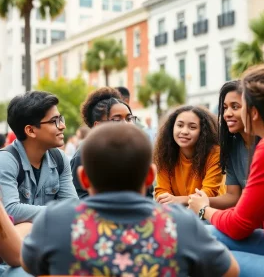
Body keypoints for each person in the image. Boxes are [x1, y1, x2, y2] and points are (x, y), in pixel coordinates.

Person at [20, 123, 239, 277]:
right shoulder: (182, 223)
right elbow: (230, 271)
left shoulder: (53, 220)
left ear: (83, 178)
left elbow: (28, 265)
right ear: (150, 177)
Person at [188, 65, 264, 276]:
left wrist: (203, 209)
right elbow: (250, 216)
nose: (230, 113)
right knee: (199, 235)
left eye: (240, 105)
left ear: (254, 112)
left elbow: (240, 225)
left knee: (199, 253)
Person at [0, 91, 78, 224]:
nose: (62, 126)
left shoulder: (59, 159)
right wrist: (59, 212)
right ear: (30, 130)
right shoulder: (6, 161)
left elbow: (72, 207)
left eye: (60, 119)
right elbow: (10, 210)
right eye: (54, 121)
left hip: (48, 238)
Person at [70, 87, 139, 199]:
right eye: (117, 119)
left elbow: (147, 194)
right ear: (98, 126)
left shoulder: (137, 151)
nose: (126, 124)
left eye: (129, 118)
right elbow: (79, 199)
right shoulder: (82, 156)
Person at [154, 106, 226, 205]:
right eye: (180, 125)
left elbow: (208, 193)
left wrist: (177, 200)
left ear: (203, 132)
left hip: (209, 213)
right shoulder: (165, 153)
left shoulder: (215, 153)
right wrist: (171, 201)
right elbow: (161, 191)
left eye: (192, 127)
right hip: (177, 211)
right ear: (172, 128)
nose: (184, 132)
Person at [209, 80, 255, 209]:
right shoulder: (232, 146)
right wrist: (200, 201)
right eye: (225, 108)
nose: (227, 114)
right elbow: (233, 196)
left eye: (235, 107)